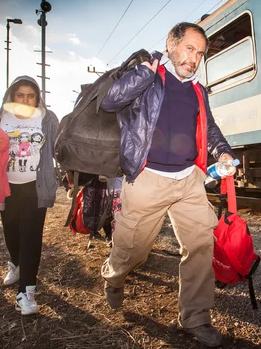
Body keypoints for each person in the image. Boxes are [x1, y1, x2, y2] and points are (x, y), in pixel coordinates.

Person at [100, 22, 235, 348]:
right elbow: (109, 102)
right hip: (148, 179)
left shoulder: (198, 90)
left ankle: (195, 317)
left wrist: (224, 151)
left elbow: (210, 128)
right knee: (134, 249)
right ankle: (114, 276)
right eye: (190, 48)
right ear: (171, 45)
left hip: (189, 179)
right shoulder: (149, 79)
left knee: (201, 243)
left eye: (200, 53)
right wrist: (142, 74)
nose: (195, 58)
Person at [0, 76, 59, 316]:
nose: (26, 99)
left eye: (31, 95)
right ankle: (15, 263)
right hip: (5, 186)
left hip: (35, 187)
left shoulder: (47, 118)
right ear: (11, 96)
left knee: (31, 235)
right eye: (20, 95)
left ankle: (25, 291)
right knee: (11, 231)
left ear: (37, 97)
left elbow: (60, 146)